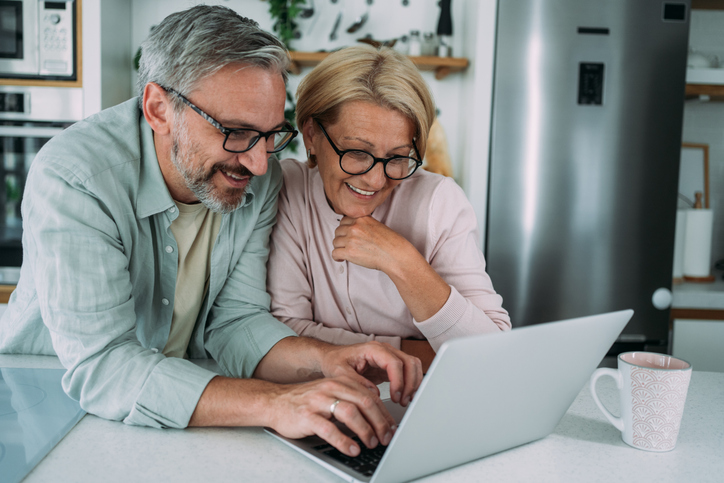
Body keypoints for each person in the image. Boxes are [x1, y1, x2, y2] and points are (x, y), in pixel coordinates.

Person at [0, 6, 421, 458]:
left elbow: (235, 321)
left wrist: (323, 359)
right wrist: (277, 403)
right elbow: (104, 367)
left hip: (185, 408)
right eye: (237, 133)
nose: (259, 163)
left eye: (270, 135)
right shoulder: (78, 177)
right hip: (52, 401)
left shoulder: (257, 177)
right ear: (159, 109)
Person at [267, 46, 511, 371]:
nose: (375, 180)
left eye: (397, 157)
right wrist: (414, 354)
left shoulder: (439, 201)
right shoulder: (288, 189)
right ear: (311, 135)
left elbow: (491, 354)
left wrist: (401, 261)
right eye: (356, 152)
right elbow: (283, 335)